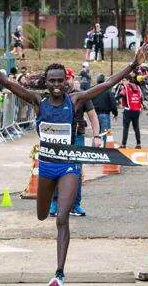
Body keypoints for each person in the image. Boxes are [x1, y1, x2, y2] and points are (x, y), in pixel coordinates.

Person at [0, 37, 147, 286]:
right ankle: (49, 215)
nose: (56, 85)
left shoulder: (75, 100)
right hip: (46, 166)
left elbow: (107, 84)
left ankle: (59, 273)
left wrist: (131, 66)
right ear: (46, 81)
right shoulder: (37, 101)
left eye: (60, 80)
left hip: (68, 165)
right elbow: (7, 82)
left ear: (66, 82)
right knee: (43, 215)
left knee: (62, 218)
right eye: (52, 80)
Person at [48, 67, 100, 218]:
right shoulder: (55, 94)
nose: (66, 81)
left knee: (75, 171)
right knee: (56, 169)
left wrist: (96, 136)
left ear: (71, 79)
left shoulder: (82, 96)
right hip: (58, 138)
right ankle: (55, 203)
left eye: (68, 78)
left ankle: (75, 204)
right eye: (65, 78)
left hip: (77, 136)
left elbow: (93, 116)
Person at [91, 74, 118, 147]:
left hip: (94, 115)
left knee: (96, 134)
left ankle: (94, 150)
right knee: (106, 134)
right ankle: (106, 150)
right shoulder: (107, 90)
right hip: (105, 114)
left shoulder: (93, 89)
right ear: (104, 81)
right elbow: (113, 103)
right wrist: (115, 113)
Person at [117, 73, 143, 148]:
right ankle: (138, 144)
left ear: (128, 80)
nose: (122, 82)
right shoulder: (137, 87)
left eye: (124, 80)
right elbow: (141, 98)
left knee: (126, 128)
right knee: (136, 127)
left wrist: (116, 99)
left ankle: (123, 144)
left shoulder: (125, 88)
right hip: (137, 110)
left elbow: (121, 95)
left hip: (128, 110)